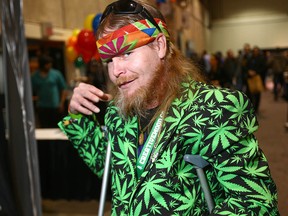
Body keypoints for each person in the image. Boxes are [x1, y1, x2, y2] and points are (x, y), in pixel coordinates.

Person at [58, 0, 279, 215]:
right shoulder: (118, 112)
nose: (116, 70)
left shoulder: (213, 109)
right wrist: (76, 117)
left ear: (160, 45)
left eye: (127, 53)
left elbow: (255, 203)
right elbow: (115, 171)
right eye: (109, 59)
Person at [32, 55, 67, 128]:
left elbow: (63, 89)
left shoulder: (56, 74)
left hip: (55, 106)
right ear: (43, 65)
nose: (49, 66)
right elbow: (32, 90)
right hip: (42, 107)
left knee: (57, 128)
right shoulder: (35, 76)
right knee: (45, 128)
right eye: (47, 64)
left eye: (50, 64)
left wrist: (61, 103)